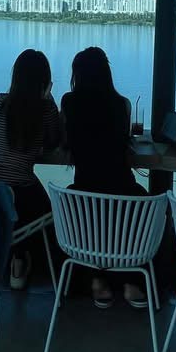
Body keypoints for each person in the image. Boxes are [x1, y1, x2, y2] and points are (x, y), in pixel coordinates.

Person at [60, 46, 147, 310]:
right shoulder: (122, 104)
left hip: (85, 194)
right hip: (122, 192)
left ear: (77, 75)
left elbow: (65, 141)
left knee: (91, 214)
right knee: (141, 206)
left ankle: (97, 279)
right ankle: (131, 280)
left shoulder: (69, 102)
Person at [0, 49, 62, 289]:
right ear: (44, 81)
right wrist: (49, 98)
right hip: (19, 190)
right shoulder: (45, 109)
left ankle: (5, 258)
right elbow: (53, 142)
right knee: (48, 213)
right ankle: (20, 259)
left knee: (14, 208)